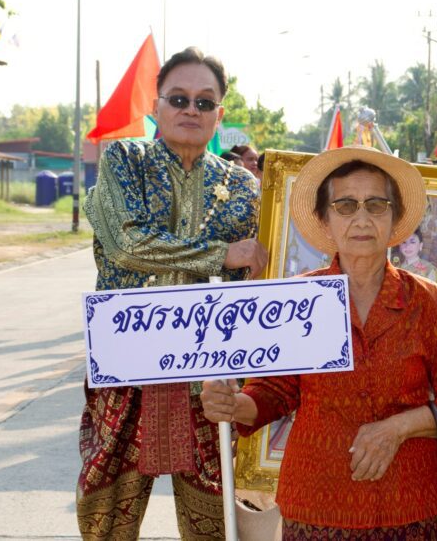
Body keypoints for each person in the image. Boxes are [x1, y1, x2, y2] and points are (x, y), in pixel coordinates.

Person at [201, 145, 437, 539]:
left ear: (395, 217)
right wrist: (234, 406)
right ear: (324, 219)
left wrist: (399, 427)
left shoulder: (430, 301)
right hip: (317, 502)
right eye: (346, 206)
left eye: (376, 205)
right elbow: (274, 392)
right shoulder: (298, 299)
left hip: (411, 503)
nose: (362, 219)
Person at [77, 46, 268, 540]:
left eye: (205, 102)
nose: (191, 109)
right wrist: (221, 254)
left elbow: (258, 276)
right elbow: (126, 244)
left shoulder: (243, 187)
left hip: (209, 376)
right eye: (179, 98)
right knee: (106, 512)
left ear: (219, 116)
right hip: (128, 363)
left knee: (215, 516)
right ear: (156, 107)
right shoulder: (126, 159)